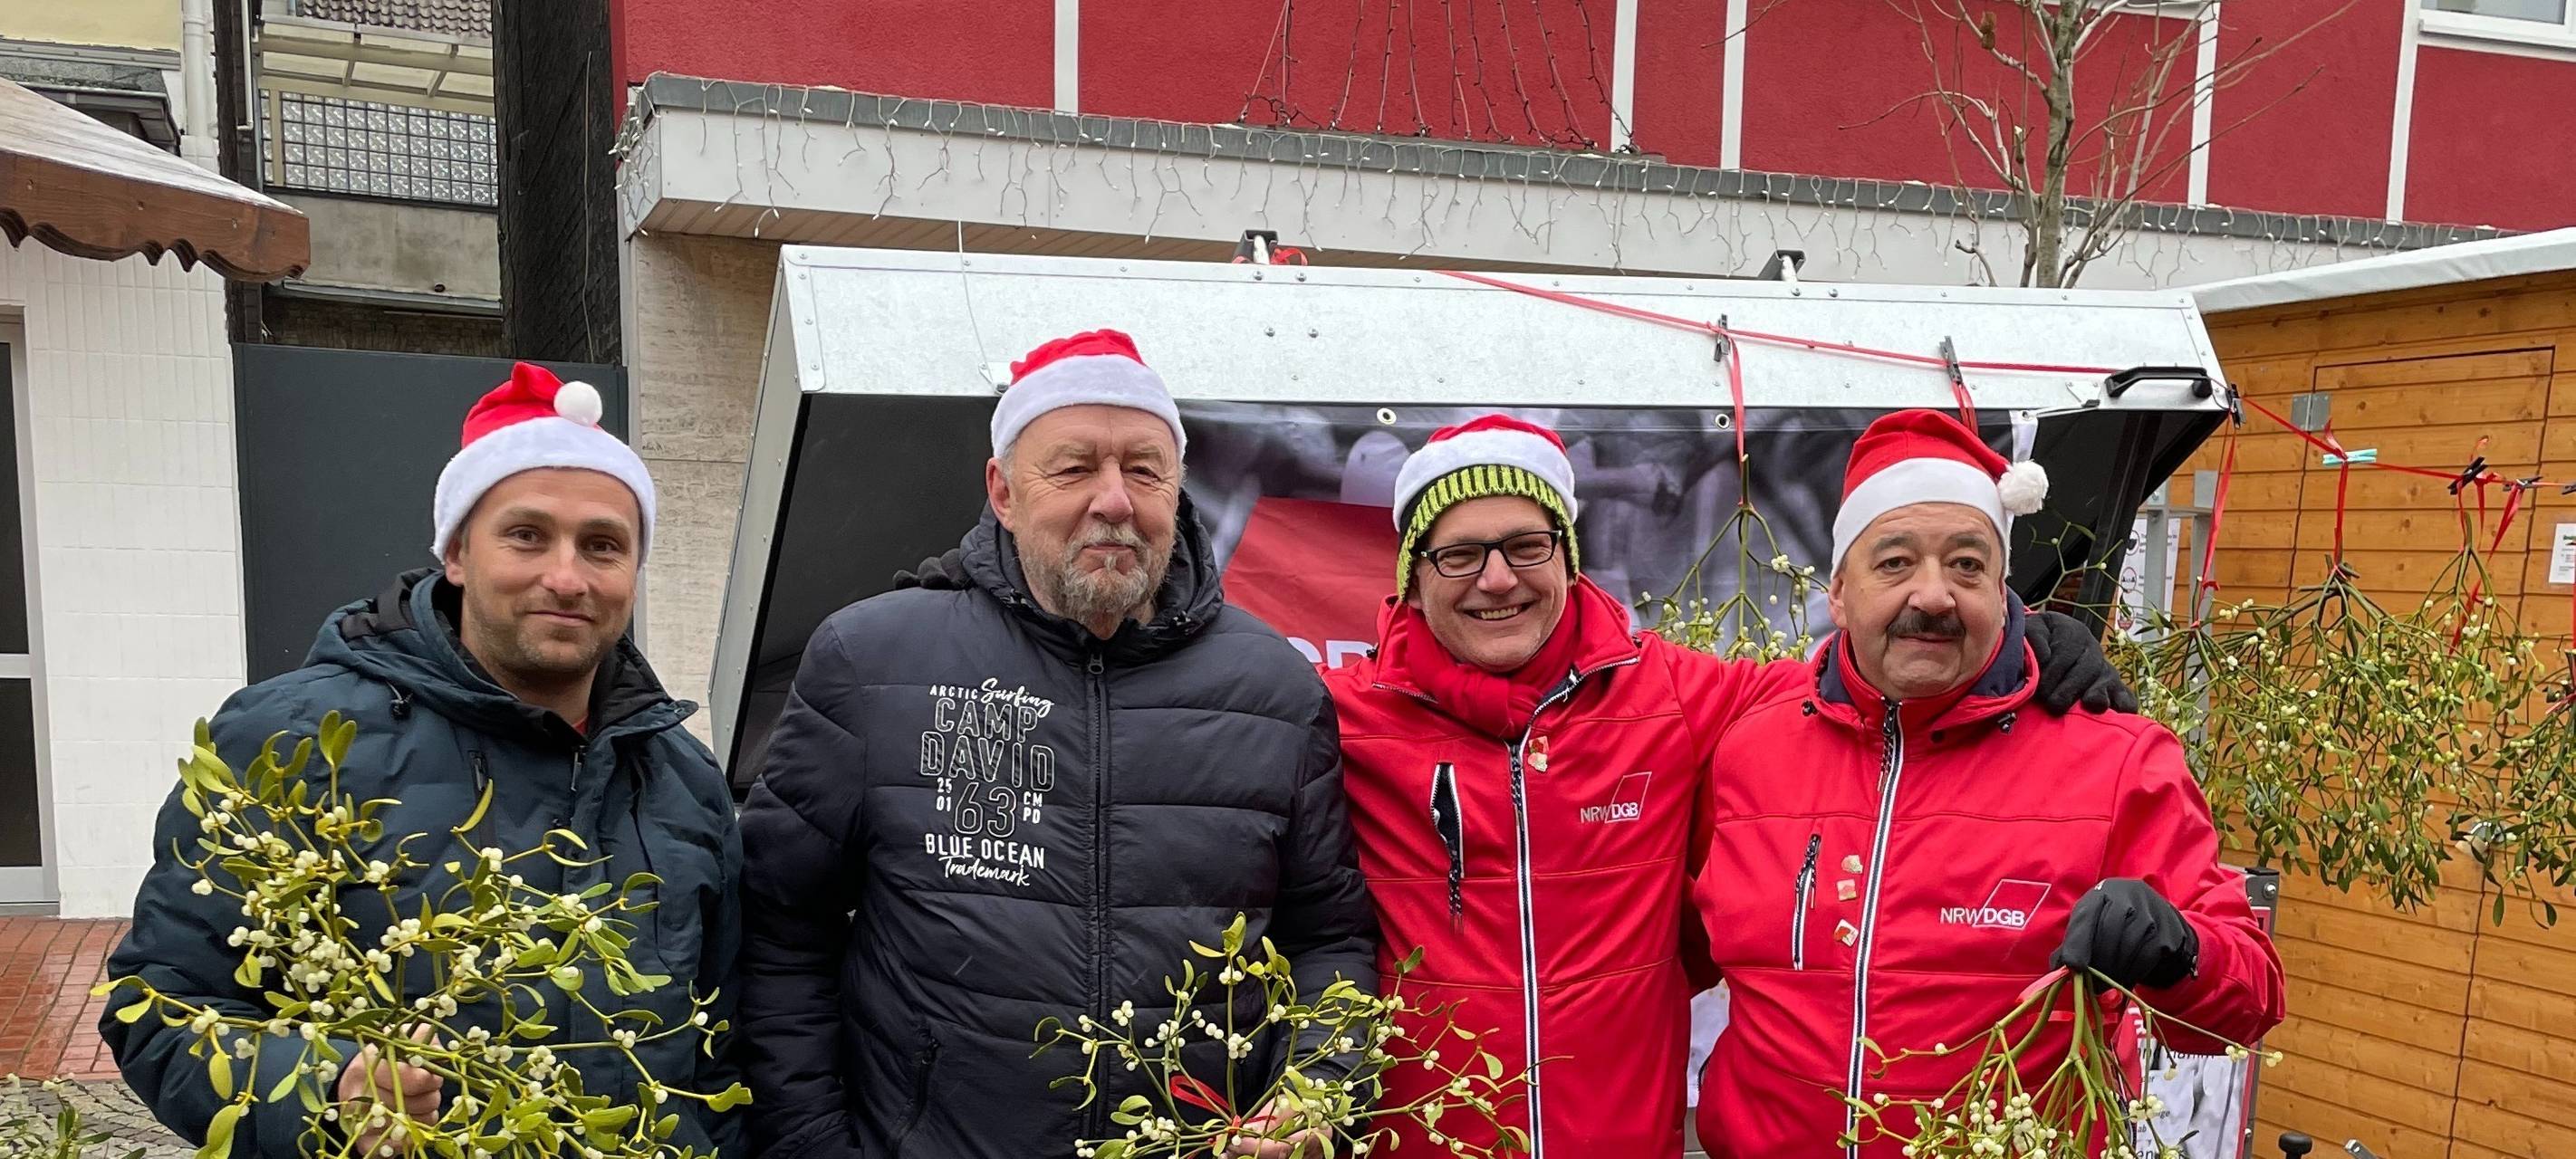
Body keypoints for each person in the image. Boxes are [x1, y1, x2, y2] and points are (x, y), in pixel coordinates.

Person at [1323, 414, 2138, 1159]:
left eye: (1527, 546)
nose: (1497, 579)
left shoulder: (1672, 696)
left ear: (1566, 557)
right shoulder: (1336, 720)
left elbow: (1861, 685)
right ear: (1413, 573)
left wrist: (2021, 650)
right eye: (1459, 554)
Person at [735, 330, 1376, 1159]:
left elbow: (1331, 940)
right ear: (1003, 491)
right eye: (1074, 467)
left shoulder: (1274, 689)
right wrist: (815, 1147)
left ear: (1177, 488)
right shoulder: (872, 660)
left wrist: (1314, 1093)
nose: (1114, 500)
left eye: (1144, 469)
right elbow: (781, 931)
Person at [102, 364, 745, 1157]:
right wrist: (329, 1089)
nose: (567, 576)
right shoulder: (294, 745)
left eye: (603, 546)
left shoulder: (683, 781)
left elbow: (725, 1040)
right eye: (527, 534)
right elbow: (162, 1004)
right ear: (457, 556)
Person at [1688, 409, 2286, 1158]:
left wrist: (2181, 950)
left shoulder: (2118, 761)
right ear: (1838, 593)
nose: (1934, 596)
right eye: (1895, 562)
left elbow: (2250, 998)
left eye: (1968, 565)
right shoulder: (1750, 742)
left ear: (2006, 591)